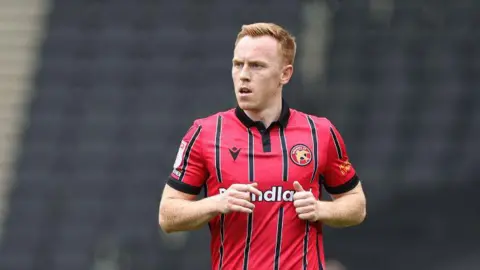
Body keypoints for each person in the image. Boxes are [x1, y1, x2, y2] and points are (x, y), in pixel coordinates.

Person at [159, 22, 367, 270]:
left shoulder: (320, 132)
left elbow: (356, 205)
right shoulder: (204, 133)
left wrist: (321, 209)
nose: (244, 74)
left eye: (256, 65)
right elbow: (168, 215)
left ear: (285, 74)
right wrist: (216, 203)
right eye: (238, 64)